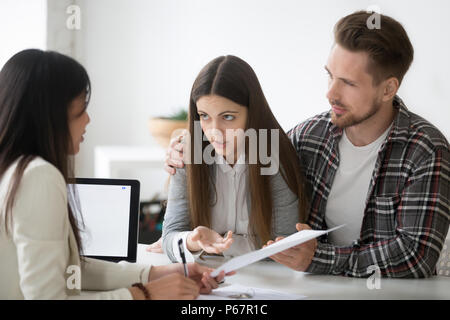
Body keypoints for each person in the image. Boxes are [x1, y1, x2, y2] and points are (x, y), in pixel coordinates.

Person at [165, 11, 450, 278]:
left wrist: (320, 259)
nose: (330, 93)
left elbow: (415, 256)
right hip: (314, 288)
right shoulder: (308, 137)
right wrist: (184, 146)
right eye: (330, 75)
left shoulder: (425, 150)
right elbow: (252, 150)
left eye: (348, 83)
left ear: (388, 88)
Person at [0, 49, 227, 300]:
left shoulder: (14, 170)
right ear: (49, 115)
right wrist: (144, 294)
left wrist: (155, 274)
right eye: (80, 110)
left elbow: (70, 270)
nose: (87, 120)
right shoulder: (39, 177)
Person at [160, 55, 311, 263]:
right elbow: (168, 238)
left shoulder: (275, 156)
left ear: (252, 113)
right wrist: (192, 241)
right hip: (208, 279)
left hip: (268, 283)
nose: (214, 132)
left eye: (228, 117)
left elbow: (284, 244)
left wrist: (226, 245)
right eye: (204, 116)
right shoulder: (185, 154)